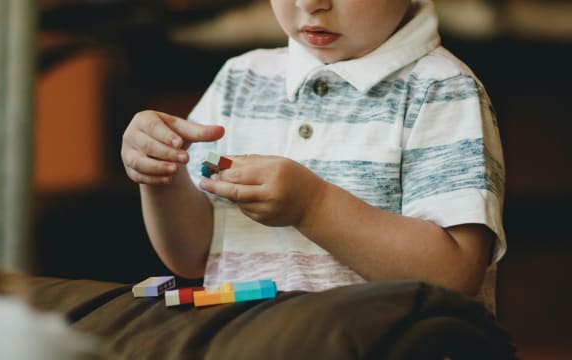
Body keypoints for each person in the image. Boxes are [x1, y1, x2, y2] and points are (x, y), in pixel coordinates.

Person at [121, 0, 506, 312]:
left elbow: (454, 275)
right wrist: (161, 173)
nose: (310, 4)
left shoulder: (442, 90)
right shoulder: (241, 78)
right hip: (242, 343)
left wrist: (314, 206)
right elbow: (193, 255)